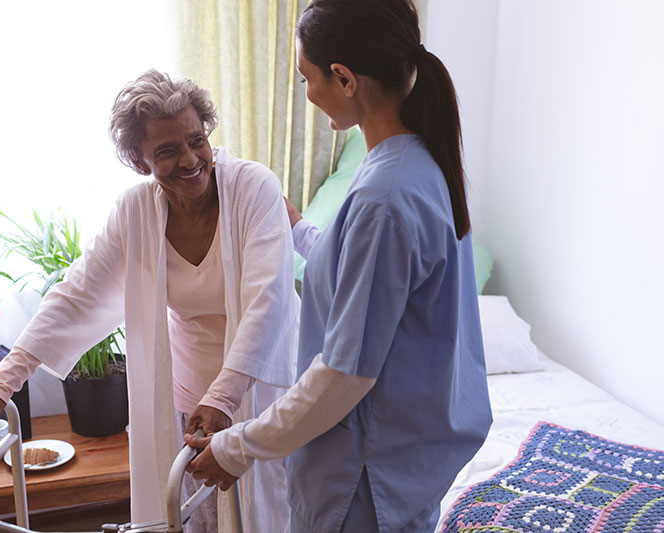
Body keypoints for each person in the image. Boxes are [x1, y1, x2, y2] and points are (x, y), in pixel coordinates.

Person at [184, 1, 493, 531]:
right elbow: (374, 275)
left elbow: (344, 375)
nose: (307, 94)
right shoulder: (421, 163)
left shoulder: (384, 197)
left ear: (345, 78)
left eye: (308, 78)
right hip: (403, 463)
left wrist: (238, 446)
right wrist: (299, 229)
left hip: (363, 474)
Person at [0, 69, 298, 533]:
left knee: (267, 515)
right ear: (140, 161)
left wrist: (223, 397)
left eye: (197, 140)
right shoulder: (135, 211)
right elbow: (76, 294)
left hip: (260, 391)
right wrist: (2, 384)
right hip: (189, 396)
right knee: (194, 519)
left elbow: (267, 303)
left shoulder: (254, 188)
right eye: (168, 150)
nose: (191, 159)